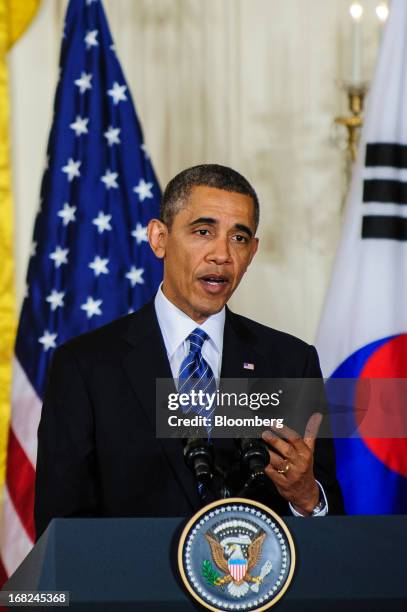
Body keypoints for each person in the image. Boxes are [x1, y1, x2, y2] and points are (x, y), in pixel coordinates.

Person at [34, 164, 344, 538]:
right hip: (131, 590)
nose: (222, 254)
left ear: (253, 252)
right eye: (203, 232)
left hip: (252, 587)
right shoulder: (86, 366)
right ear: (159, 238)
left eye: (239, 238)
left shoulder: (291, 362)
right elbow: (61, 528)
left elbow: (329, 526)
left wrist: (306, 496)